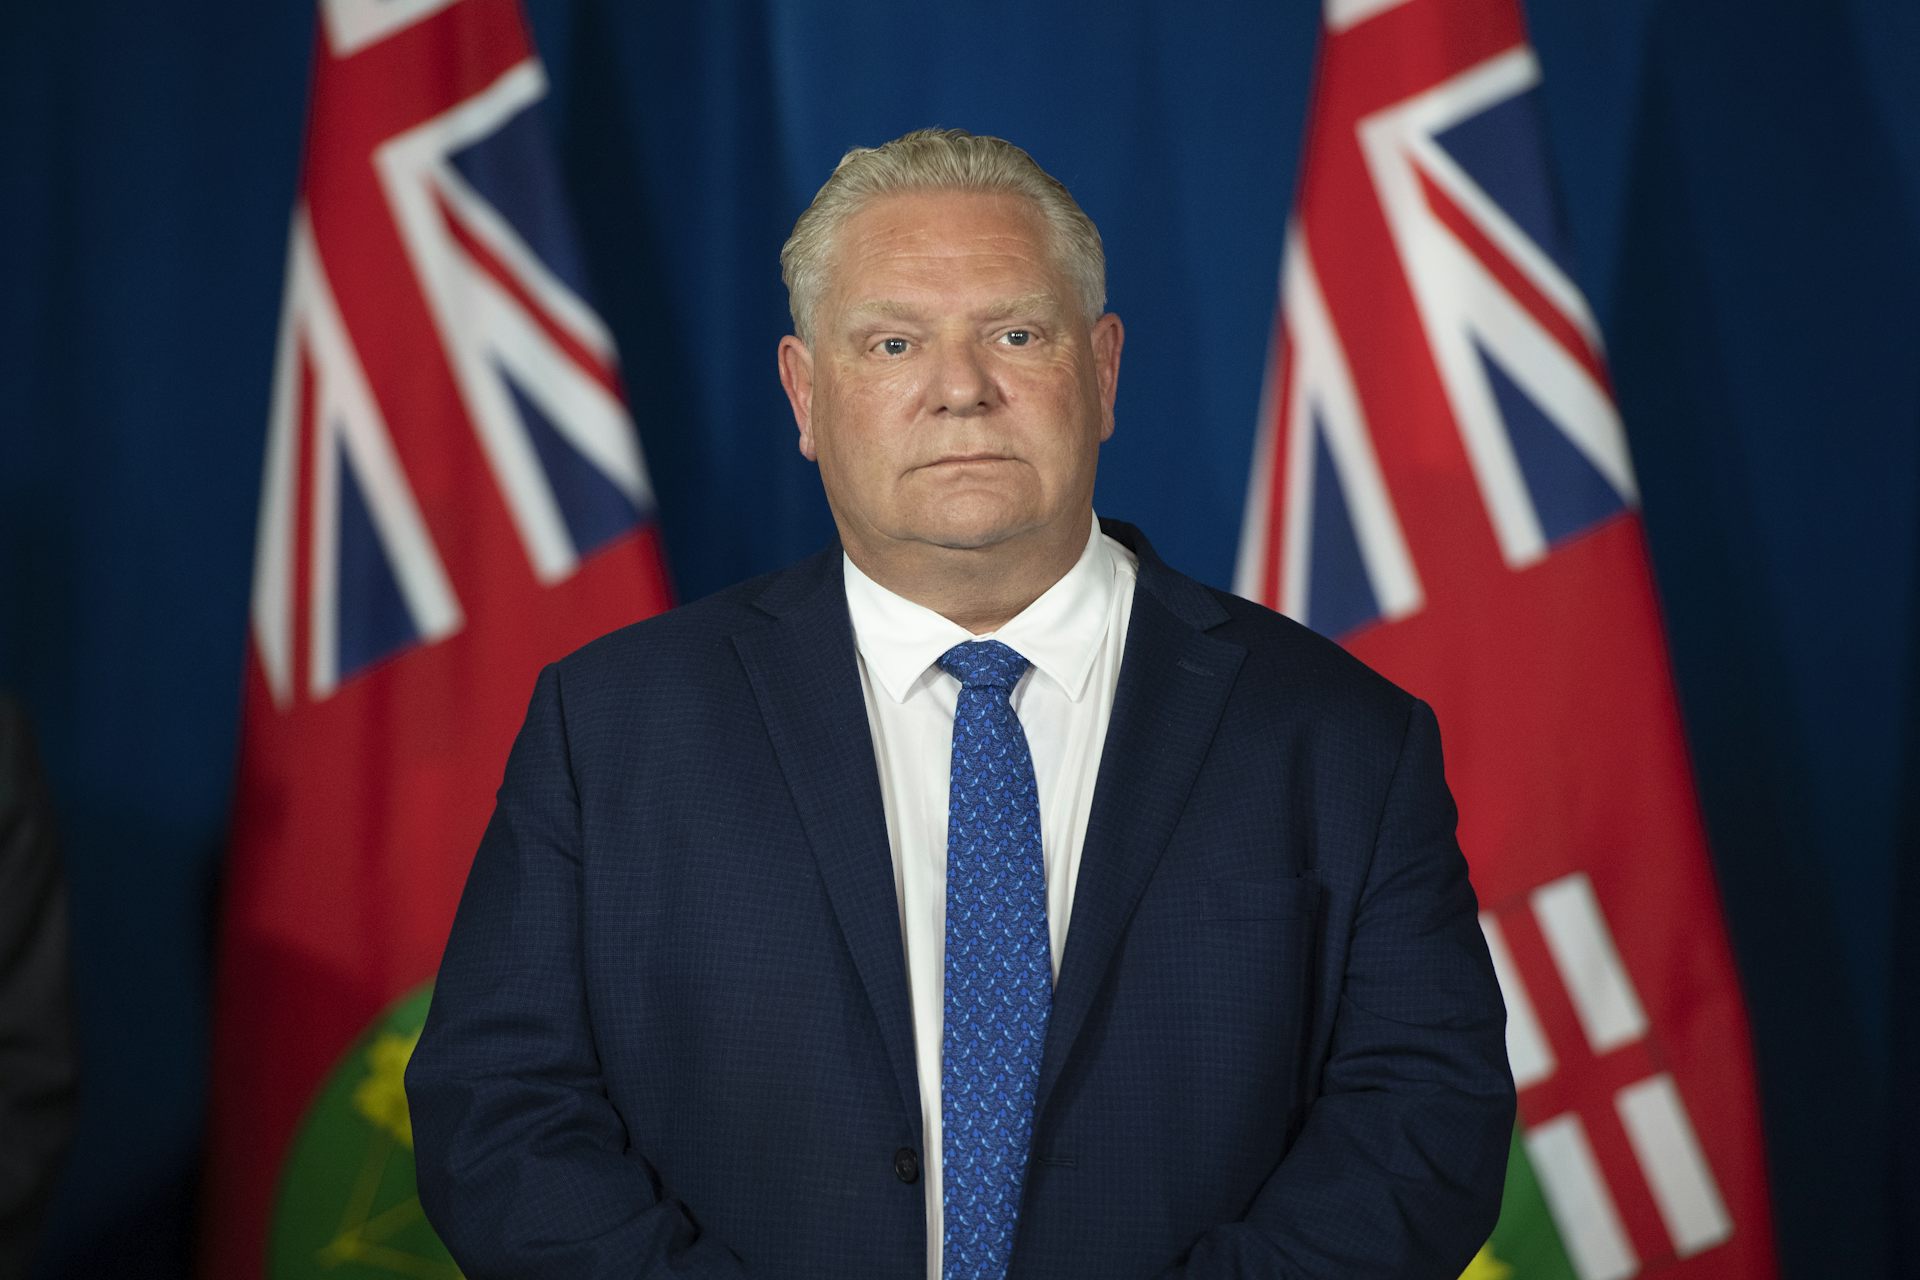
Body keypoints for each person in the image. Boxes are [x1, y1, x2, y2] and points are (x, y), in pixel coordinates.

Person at [407, 128, 1514, 1279]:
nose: (961, 390)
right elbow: (499, 1108)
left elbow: (1423, 1120)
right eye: (893, 342)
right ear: (804, 393)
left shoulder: (1342, 737)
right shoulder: (610, 728)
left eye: (1016, 334)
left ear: (1104, 370)